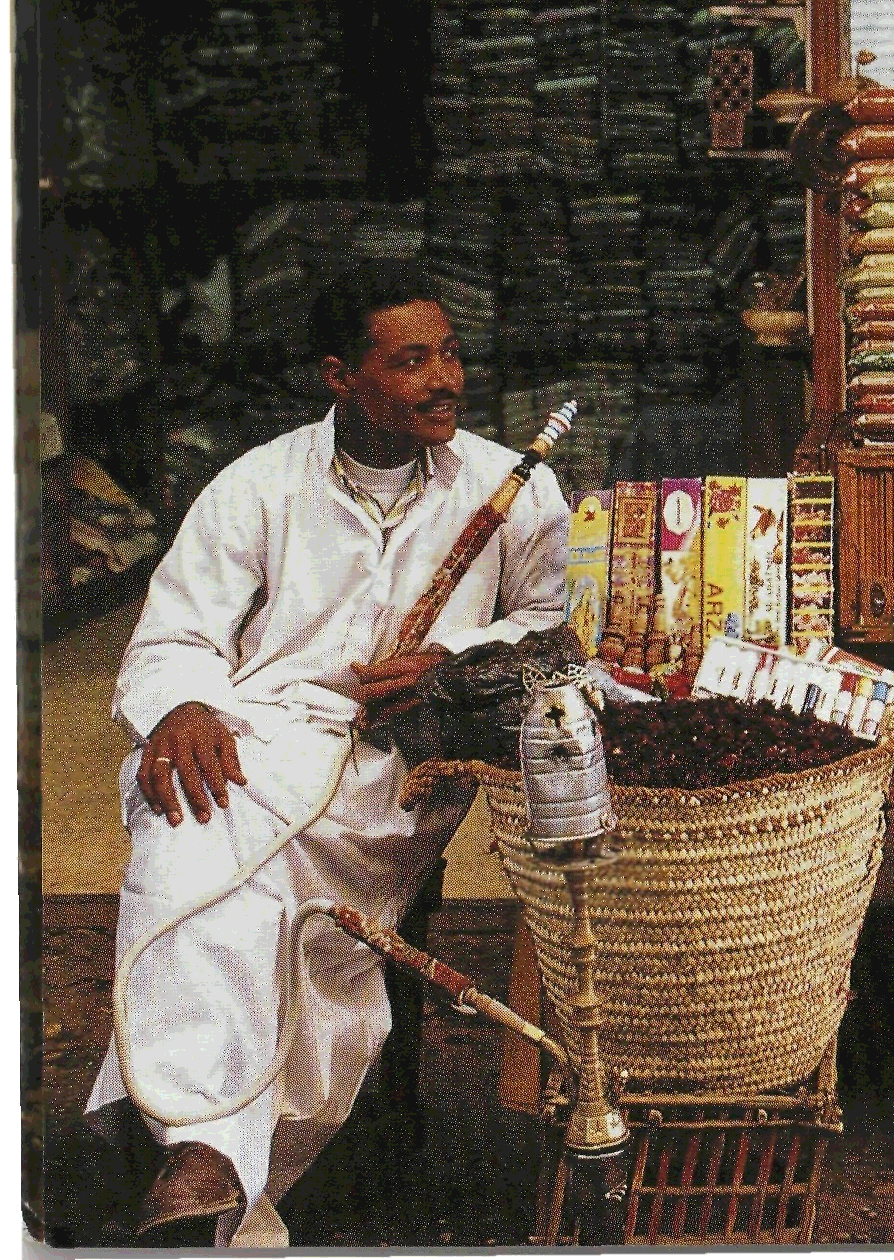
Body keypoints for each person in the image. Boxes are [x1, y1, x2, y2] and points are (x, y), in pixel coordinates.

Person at [84, 267, 569, 1248]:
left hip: (392, 768)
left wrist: (457, 659)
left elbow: (560, 626)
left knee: (255, 881)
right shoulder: (255, 485)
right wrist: (182, 703)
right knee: (186, 823)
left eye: (450, 353)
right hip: (253, 734)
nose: (446, 379)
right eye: (412, 359)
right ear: (340, 376)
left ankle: (187, 1129)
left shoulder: (516, 489)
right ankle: (208, 1148)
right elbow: (174, 631)